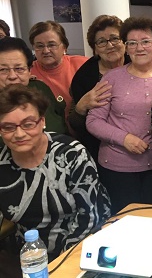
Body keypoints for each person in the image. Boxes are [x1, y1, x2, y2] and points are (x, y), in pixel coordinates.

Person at [0, 85, 111, 261]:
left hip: (82, 247)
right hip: (29, 254)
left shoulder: (71, 154)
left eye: (28, 124)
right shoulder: (2, 164)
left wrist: (61, 262)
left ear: (42, 121)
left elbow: (90, 216)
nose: (19, 134)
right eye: (8, 127)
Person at [86, 17, 152, 214]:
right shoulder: (112, 78)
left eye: (145, 41)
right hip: (117, 168)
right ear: (126, 47)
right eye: (132, 43)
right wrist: (124, 138)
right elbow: (93, 121)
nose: (139, 48)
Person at [69, 15, 130, 164]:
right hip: (98, 149)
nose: (110, 45)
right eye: (102, 42)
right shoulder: (84, 77)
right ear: (95, 49)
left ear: (125, 42)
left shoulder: (137, 63)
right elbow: (76, 126)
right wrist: (80, 107)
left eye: (115, 38)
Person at [0, 37, 66, 134]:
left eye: (19, 69)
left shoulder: (40, 89)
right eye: (3, 70)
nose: (12, 76)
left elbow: (61, 124)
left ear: (29, 70)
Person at [28, 20, 88, 119]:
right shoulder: (27, 72)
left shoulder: (83, 64)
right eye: (39, 46)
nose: (46, 51)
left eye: (52, 45)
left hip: (83, 126)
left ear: (64, 47)